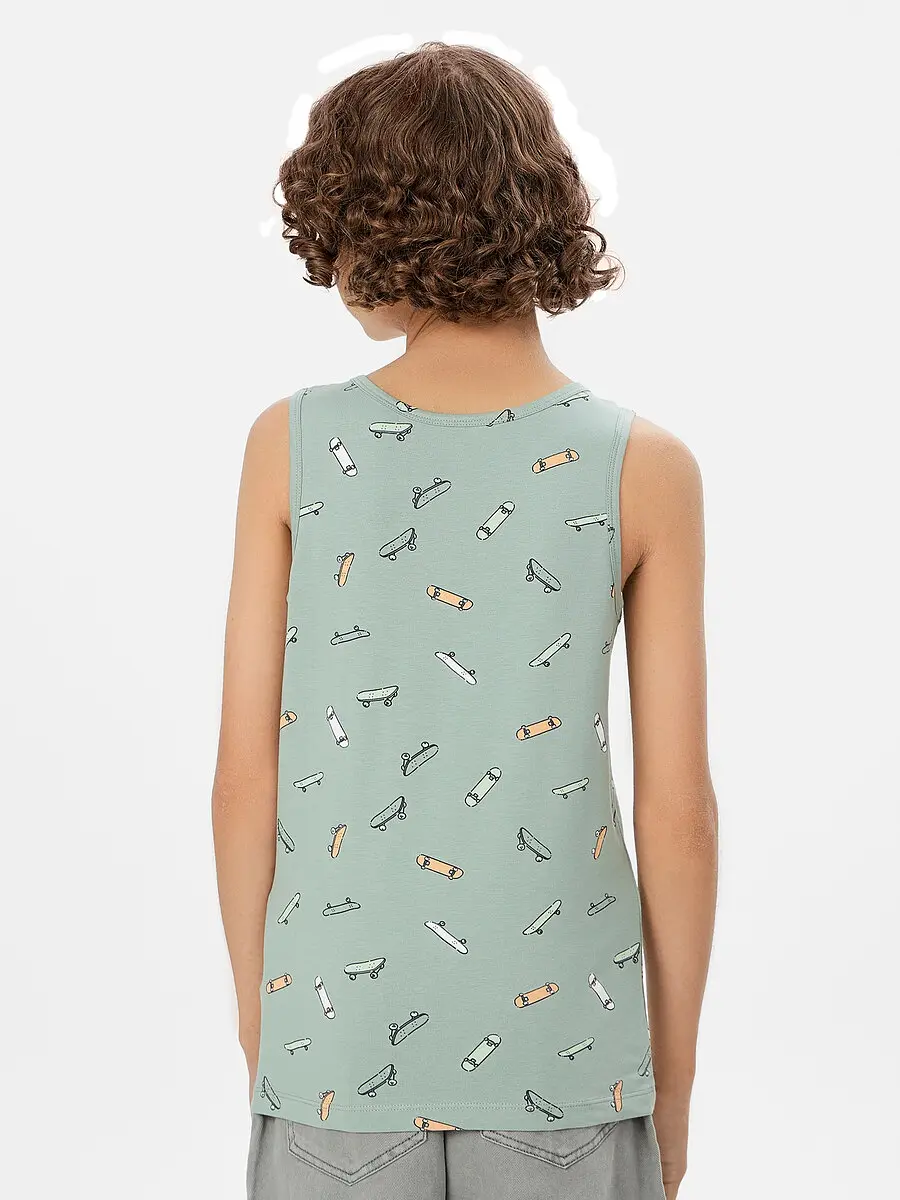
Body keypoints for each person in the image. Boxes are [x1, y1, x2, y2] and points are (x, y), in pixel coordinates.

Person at [212, 40, 718, 1200]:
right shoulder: (644, 466)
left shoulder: (292, 446)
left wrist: (266, 1028)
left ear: (368, 232)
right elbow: (677, 813)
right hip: (567, 1057)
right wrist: (673, 1082)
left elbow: (245, 778)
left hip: (335, 1057)